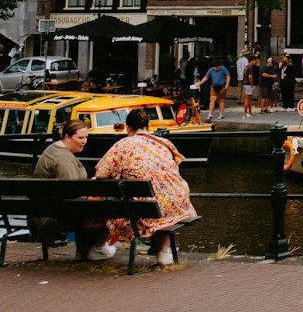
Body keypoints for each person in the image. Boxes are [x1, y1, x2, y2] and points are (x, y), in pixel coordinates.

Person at [95, 107, 198, 266]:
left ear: (129, 128)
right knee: (162, 203)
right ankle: (163, 253)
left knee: (114, 201)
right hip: (177, 204)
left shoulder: (123, 144)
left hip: (142, 211)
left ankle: (99, 246)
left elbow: (101, 174)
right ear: (147, 127)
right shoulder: (164, 143)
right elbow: (175, 170)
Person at [31, 118, 116, 261]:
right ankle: (96, 249)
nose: (84, 141)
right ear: (68, 137)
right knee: (107, 207)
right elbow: (72, 192)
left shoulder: (54, 149)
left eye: (86, 137)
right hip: (53, 218)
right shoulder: (63, 159)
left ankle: (87, 251)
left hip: (45, 211)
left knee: (96, 204)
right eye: (80, 137)